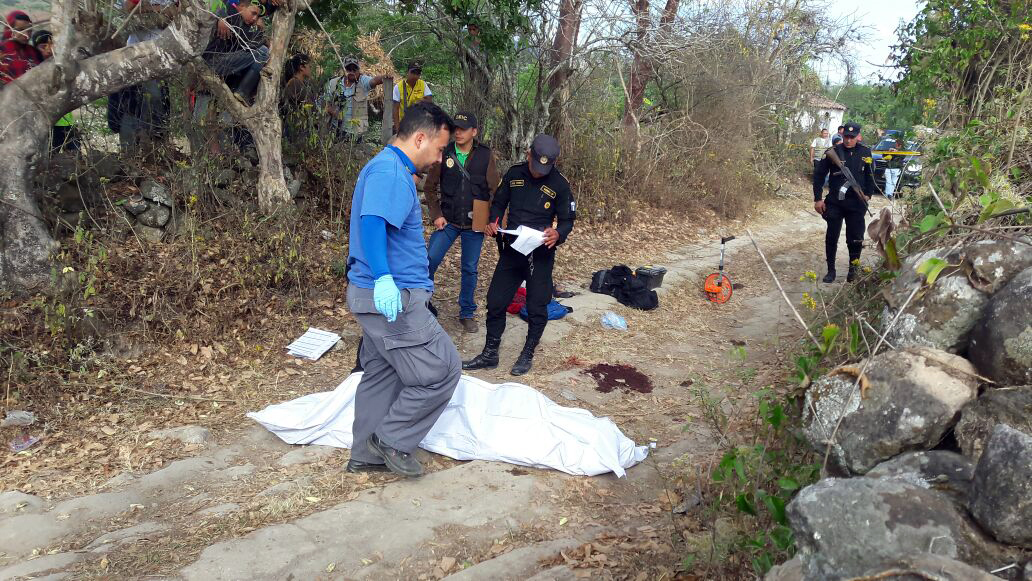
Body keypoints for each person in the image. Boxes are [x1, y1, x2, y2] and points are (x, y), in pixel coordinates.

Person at [344, 101, 459, 477]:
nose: (440, 158)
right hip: (391, 298)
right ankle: (392, 440)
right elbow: (374, 223)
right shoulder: (390, 172)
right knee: (443, 368)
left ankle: (365, 454)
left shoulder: (386, 168)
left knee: (383, 374)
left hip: (376, 296)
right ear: (421, 137)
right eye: (441, 149)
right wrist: (384, 278)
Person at [464, 134, 576, 376]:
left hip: (540, 254)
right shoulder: (514, 174)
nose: (538, 172)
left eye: (544, 168)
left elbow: (568, 220)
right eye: (536, 166)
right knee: (495, 301)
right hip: (512, 250)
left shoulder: (560, 184)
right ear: (528, 155)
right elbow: (499, 203)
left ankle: (527, 353)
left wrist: (558, 234)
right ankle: (490, 353)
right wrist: (493, 222)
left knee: (537, 306)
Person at [423, 111, 501, 332]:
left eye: (463, 129)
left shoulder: (485, 155)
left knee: (469, 268)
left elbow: (496, 191)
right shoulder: (444, 152)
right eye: (455, 128)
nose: (458, 132)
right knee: (429, 260)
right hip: (447, 220)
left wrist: (492, 221)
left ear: (474, 132)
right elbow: (429, 188)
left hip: (475, 223)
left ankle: (466, 312)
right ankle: (422, 304)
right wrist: (436, 214)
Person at [813, 122, 874, 283]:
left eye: (852, 137)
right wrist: (818, 198)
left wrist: (868, 194)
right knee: (832, 237)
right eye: (846, 136)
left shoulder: (865, 152)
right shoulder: (834, 152)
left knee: (855, 238)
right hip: (835, 202)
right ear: (842, 135)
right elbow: (819, 175)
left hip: (856, 203)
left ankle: (853, 271)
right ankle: (831, 271)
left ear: (858, 137)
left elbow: (870, 176)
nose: (848, 140)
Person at [203, 0, 268, 105]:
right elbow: (248, 45)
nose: (255, 18)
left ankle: (239, 92)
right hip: (213, 63)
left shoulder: (240, 21)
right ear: (241, 7)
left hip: (220, 64)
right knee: (263, 51)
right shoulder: (232, 15)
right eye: (253, 13)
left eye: (257, 16)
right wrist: (261, 33)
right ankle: (242, 92)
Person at [323, 56, 385, 143]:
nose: (351, 72)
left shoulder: (363, 81)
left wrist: (384, 77)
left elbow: (374, 81)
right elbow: (325, 104)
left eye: (354, 69)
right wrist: (333, 111)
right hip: (335, 129)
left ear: (358, 70)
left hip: (355, 132)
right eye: (348, 69)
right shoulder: (333, 83)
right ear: (344, 69)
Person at [281, 53, 316, 146]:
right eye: (309, 66)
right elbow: (310, 106)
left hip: (300, 128)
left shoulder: (302, 83)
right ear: (302, 67)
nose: (310, 69)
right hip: (295, 129)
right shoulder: (294, 83)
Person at [0, 10, 42, 85]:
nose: (26, 34)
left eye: (29, 30)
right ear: (9, 29)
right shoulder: (2, 50)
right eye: (20, 30)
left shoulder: (36, 53)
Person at [392, 62, 433, 134]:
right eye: (413, 72)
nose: (415, 75)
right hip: (404, 124)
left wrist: (419, 101)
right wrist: (398, 129)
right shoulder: (398, 87)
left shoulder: (422, 84)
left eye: (418, 73)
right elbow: (395, 109)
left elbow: (429, 100)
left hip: (420, 124)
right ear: (407, 72)